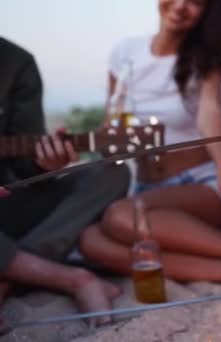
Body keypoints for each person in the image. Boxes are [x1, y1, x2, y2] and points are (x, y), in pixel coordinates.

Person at [78, 0, 221, 284]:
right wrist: (93, 142)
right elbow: (113, 123)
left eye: (195, 2)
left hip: (198, 185)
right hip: (147, 189)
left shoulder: (204, 59)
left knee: (122, 217)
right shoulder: (124, 53)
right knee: (91, 241)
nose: (181, 6)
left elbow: (211, 111)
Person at [0, 37, 130, 322]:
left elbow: (25, 170)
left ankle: (11, 274)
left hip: (7, 203)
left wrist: (43, 163)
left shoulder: (16, 63)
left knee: (113, 172)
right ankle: (70, 278)